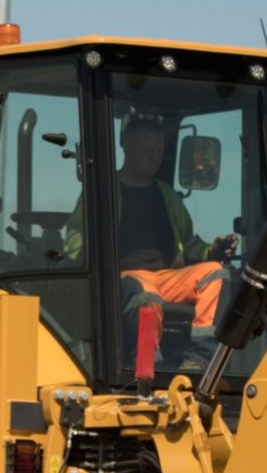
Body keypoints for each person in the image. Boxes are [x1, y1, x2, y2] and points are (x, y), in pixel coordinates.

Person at [65, 113, 237, 333]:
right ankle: (147, 356)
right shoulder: (103, 192)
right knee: (146, 295)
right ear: (127, 149)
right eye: (147, 150)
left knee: (215, 273)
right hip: (124, 278)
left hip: (166, 277)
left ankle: (203, 350)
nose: (155, 157)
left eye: (158, 151)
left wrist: (212, 250)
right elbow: (75, 241)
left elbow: (187, 243)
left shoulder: (169, 197)